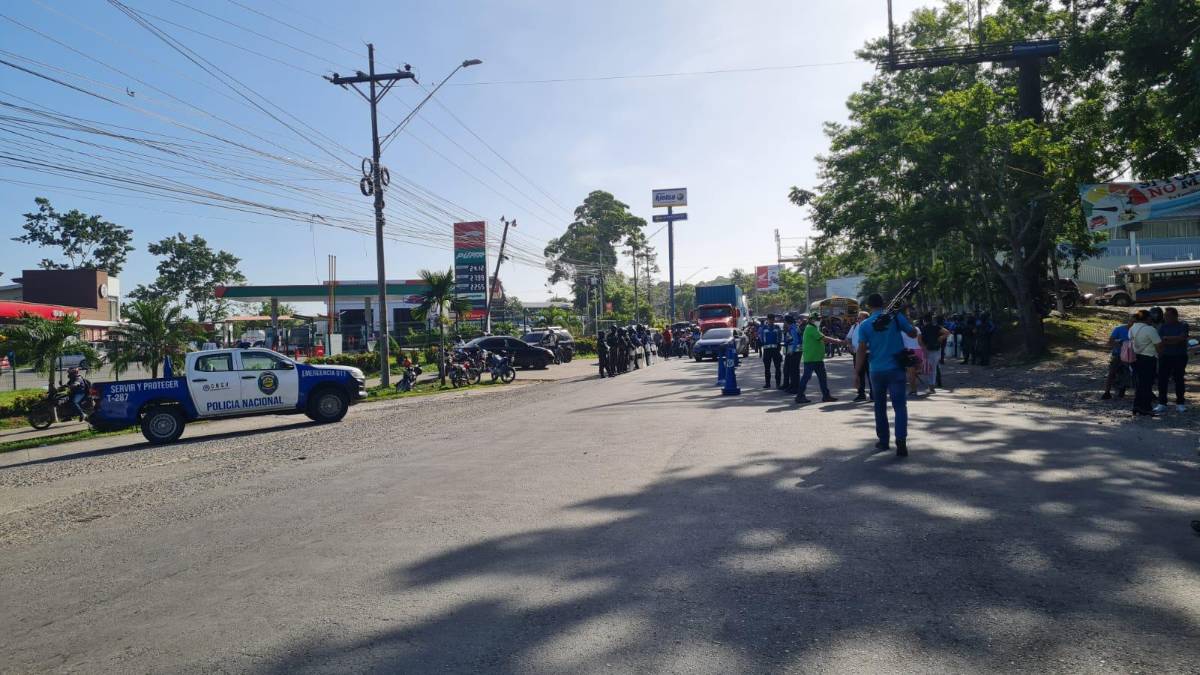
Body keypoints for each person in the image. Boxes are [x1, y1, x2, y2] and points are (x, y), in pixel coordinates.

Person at [857, 292, 919, 457]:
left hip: (876, 370)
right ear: (884, 304)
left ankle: (884, 441)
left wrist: (857, 373)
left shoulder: (864, 324)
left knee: (879, 407)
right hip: (896, 369)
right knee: (900, 407)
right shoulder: (895, 317)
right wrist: (906, 316)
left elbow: (861, 350)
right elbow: (913, 333)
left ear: (869, 306)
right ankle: (901, 442)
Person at [795, 313, 841, 404]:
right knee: (806, 378)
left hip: (817, 358)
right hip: (811, 359)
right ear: (811, 320)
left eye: (819, 319)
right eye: (817, 319)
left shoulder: (814, 328)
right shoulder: (810, 328)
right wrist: (837, 341)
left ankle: (826, 396)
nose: (819, 321)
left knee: (822, 378)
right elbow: (824, 338)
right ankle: (799, 396)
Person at [1129, 309, 1163, 417]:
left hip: (1136, 358)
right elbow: (1158, 345)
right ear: (1147, 318)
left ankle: (1136, 405)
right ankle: (1145, 407)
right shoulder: (1150, 329)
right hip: (1148, 358)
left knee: (1140, 383)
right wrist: (1161, 356)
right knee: (1147, 384)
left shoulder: (1132, 328)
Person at [1157, 307, 1189, 413]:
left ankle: (1180, 403)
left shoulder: (1183, 325)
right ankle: (1162, 403)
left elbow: (1182, 338)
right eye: (1165, 316)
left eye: (1168, 316)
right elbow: (1160, 340)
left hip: (1179, 356)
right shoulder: (1162, 326)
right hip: (1165, 356)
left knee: (1179, 379)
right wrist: (1173, 339)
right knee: (1162, 380)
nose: (1166, 318)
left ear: (1175, 316)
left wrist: (1167, 339)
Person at [1101, 314, 1135, 400]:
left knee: (1131, 374)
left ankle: (1124, 390)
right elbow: (1110, 341)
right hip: (1118, 354)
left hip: (1131, 355)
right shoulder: (1119, 329)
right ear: (1129, 320)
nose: (1133, 323)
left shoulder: (1137, 331)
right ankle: (1107, 392)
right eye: (1132, 321)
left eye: (1135, 322)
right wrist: (1118, 343)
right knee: (1112, 373)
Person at [919, 314, 950, 395]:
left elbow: (920, 340)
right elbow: (947, 332)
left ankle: (931, 387)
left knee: (928, 369)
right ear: (931, 320)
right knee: (934, 369)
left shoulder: (923, 328)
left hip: (927, 350)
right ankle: (932, 386)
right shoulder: (936, 327)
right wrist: (940, 338)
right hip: (936, 350)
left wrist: (923, 349)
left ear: (924, 320)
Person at [848, 311, 872, 402]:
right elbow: (848, 338)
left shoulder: (870, 326)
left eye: (860, 318)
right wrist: (849, 345)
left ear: (866, 318)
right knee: (859, 374)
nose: (858, 320)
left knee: (870, 374)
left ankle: (873, 394)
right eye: (858, 318)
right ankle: (861, 394)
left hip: (868, 353)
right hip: (857, 354)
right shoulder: (854, 326)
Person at [759, 314, 782, 388]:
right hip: (767, 350)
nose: (771, 321)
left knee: (778, 367)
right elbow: (761, 338)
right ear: (767, 319)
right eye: (770, 319)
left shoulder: (777, 327)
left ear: (774, 320)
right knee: (767, 368)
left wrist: (778, 346)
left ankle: (778, 384)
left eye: (772, 319)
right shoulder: (764, 328)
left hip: (776, 350)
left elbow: (780, 337)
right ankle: (767, 383)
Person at [782, 314, 801, 393]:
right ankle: (792, 385)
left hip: (795, 351)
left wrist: (792, 351)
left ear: (787, 321)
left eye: (784, 321)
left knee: (794, 370)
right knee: (790, 369)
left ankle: (795, 387)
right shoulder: (791, 328)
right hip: (792, 351)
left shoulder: (793, 328)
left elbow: (796, 340)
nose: (784, 323)